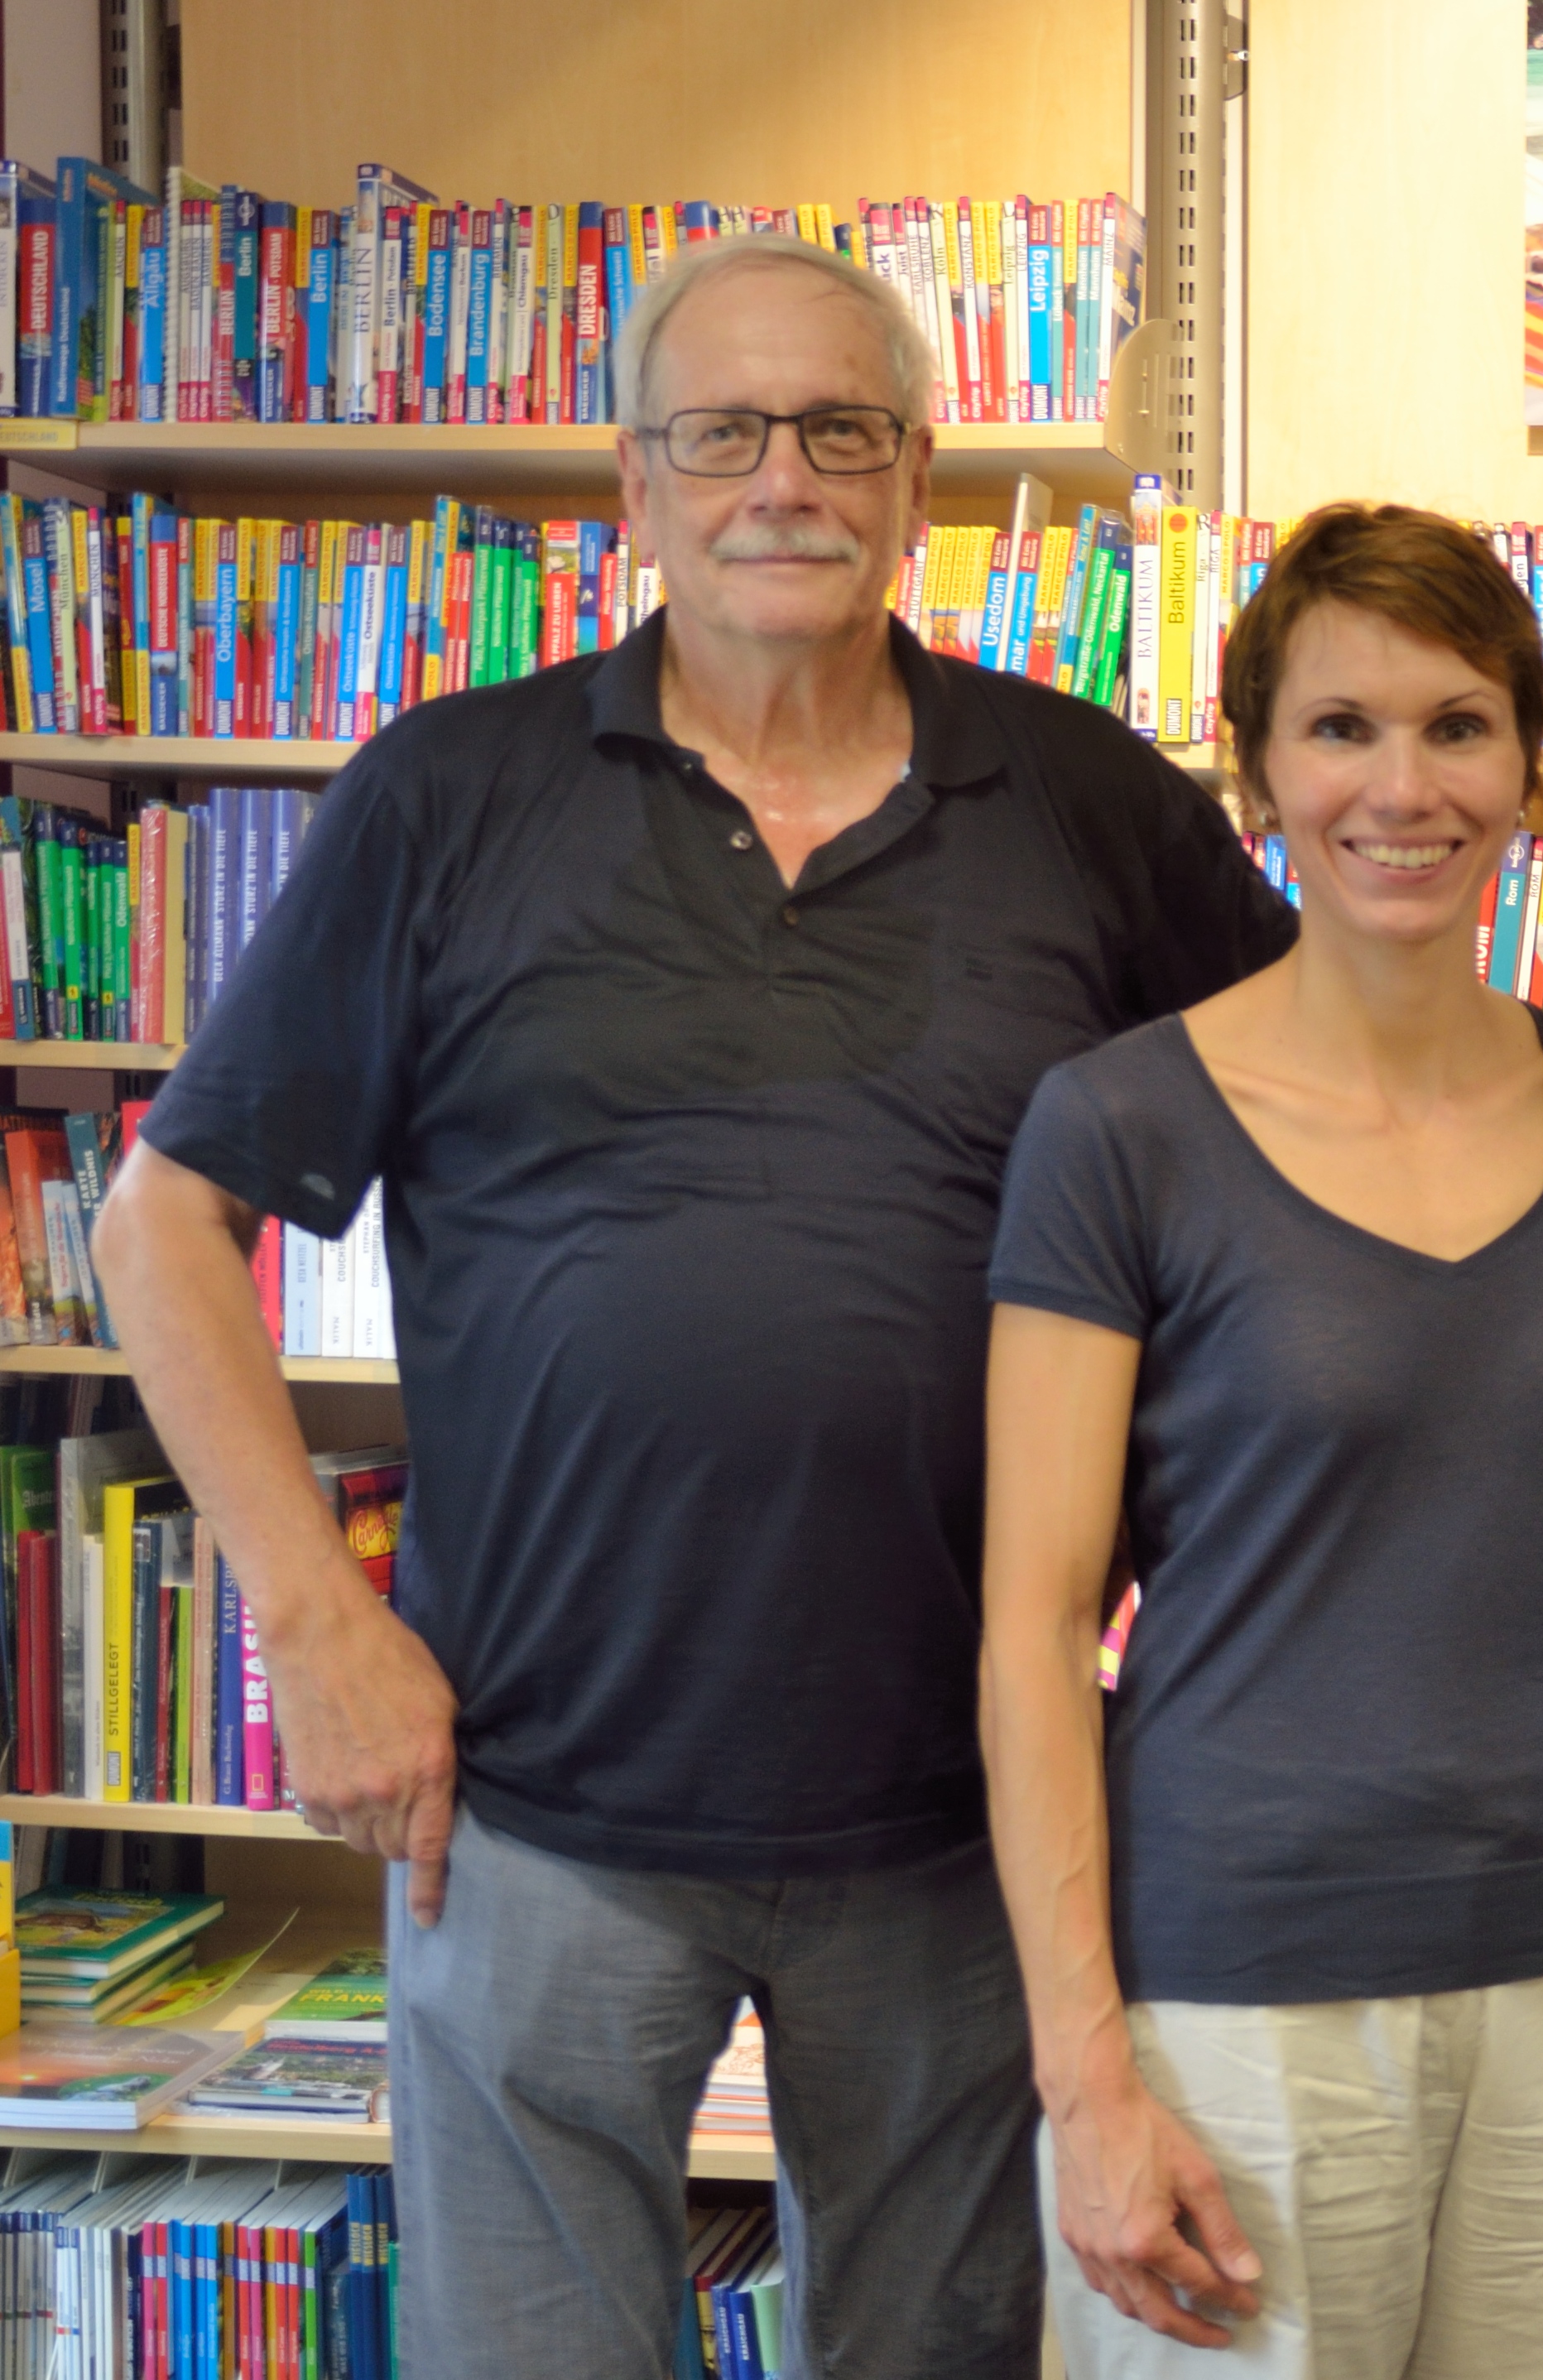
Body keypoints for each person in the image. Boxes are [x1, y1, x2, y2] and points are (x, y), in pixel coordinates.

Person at [92, 232, 1291, 2378]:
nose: (782, 481)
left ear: (919, 475)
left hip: (960, 1818)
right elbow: (160, 1225)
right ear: (630, 487)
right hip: (528, 1799)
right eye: (720, 431)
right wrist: (312, 1618)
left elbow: (1305, 1179)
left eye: (839, 428)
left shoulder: (1093, 803)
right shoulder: (448, 797)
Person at [979, 502, 1543, 2380]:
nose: (1406, 785)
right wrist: (1087, 2075)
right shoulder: (1117, 1126)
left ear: (1529, 765)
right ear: (1257, 770)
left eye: (1460, 725)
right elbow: (1036, 1626)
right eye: (1343, 728)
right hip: (1238, 1984)